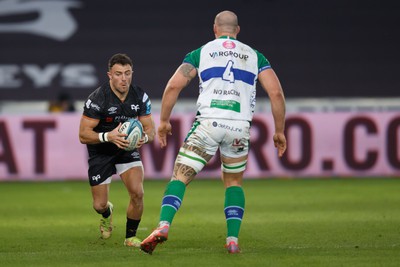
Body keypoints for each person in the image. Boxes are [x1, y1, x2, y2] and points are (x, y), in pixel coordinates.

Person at [140, 10, 287, 254]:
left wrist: (164, 120)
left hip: (208, 123)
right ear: (237, 30)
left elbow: (174, 85)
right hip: (239, 126)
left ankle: (163, 226)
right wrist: (279, 131)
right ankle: (232, 240)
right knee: (233, 182)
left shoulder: (201, 52)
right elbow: (276, 94)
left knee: (180, 177)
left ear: (215, 29)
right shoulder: (255, 56)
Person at [78, 53, 155, 247]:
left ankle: (130, 237)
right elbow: (83, 135)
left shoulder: (139, 95)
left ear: (132, 73)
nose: (124, 78)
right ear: (109, 75)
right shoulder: (98, 98)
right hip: (101, 150)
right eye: (119, 74)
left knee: (137, 193)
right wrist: (108, 136)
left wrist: (143, 138)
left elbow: (150, 129)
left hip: (126, 150)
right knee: (99, 205)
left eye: (127, 73)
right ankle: (106, 214)